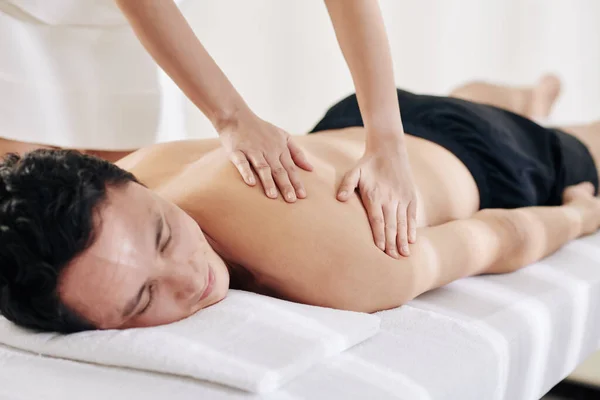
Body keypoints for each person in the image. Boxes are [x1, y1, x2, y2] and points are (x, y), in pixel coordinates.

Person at [1, 76, 599, 334]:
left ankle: (531, 107)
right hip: (356, 122)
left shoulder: (342, 267)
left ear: (126, 183)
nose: (189, 277)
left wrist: (579, 214)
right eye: (142, 299)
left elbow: (493, 238)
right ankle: (527, 93)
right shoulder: (122, 177)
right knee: (460, 100)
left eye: (162, 235)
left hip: (488, 158)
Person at [1, 0, 418, 257]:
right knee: (21, 226)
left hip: (121, 30)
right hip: (21, 18)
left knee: (126, 221)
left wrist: (386, 141)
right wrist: (233, 118)